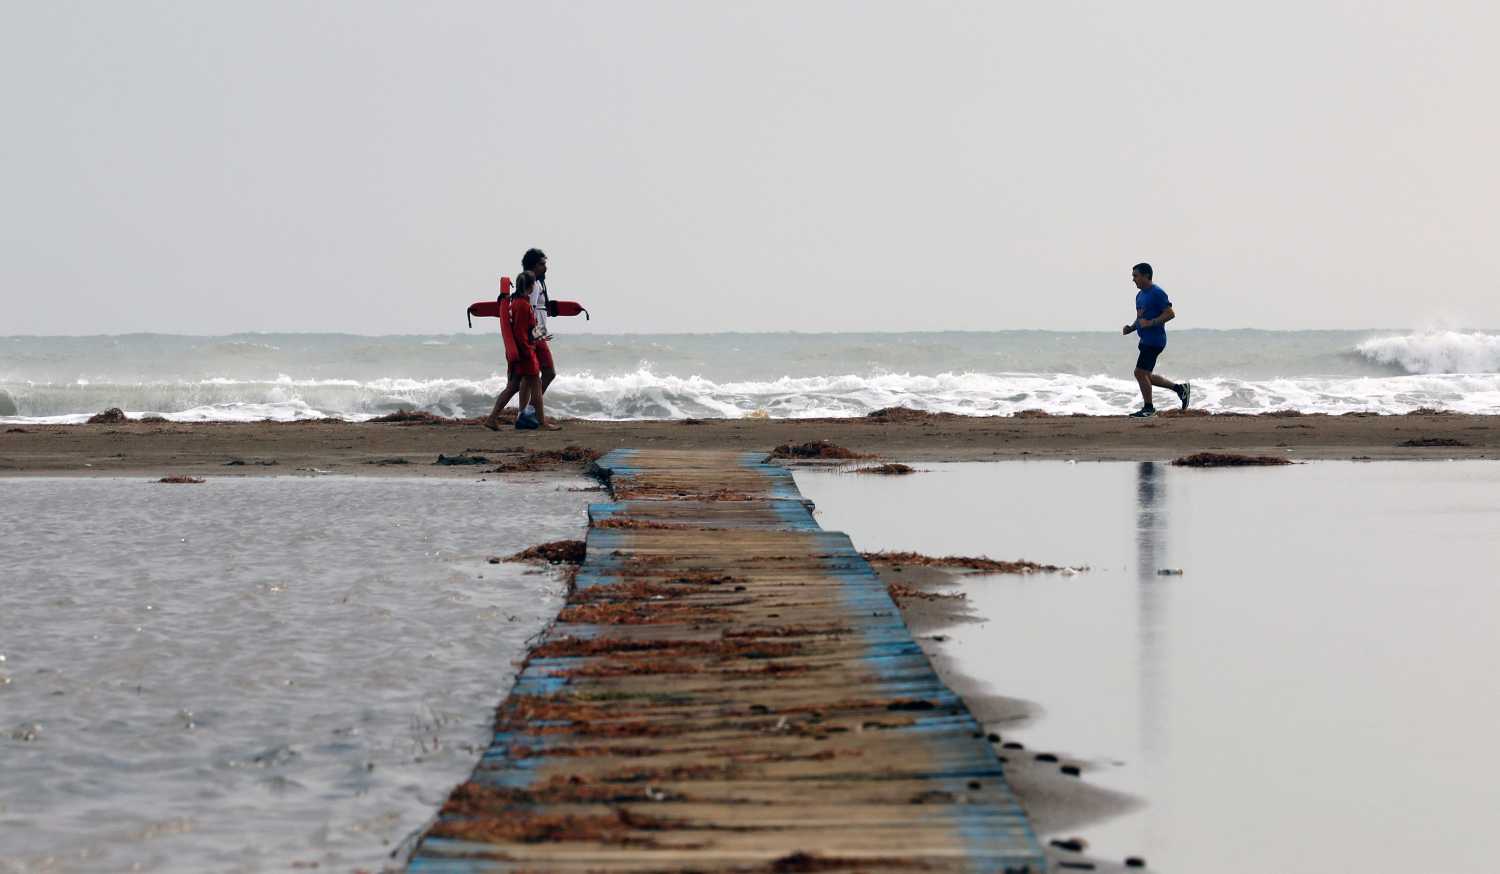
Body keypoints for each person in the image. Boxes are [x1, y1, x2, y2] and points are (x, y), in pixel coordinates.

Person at [1122, 262, 1190, 418]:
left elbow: (1170, 313)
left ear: (1146, 276)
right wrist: (1131, 328)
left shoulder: (1157, 293)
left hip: (1155, 340)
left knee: (1139, 373)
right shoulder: (1140, 296)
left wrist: (1152, 323)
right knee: (1147, 376)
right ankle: (1180, 389)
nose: (1133, 280)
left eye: (1135, 276)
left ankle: (1149, 408)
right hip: (1145, 340)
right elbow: (1141, 318)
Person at [508, 270, 561, 431]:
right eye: (542, 263)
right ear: (530, 287)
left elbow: (527, 326)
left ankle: (520, 415)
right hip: (528, 349)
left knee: (517, 385)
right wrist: (533, 344)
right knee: (533, 382)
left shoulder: (517, 302)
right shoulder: (524, 304)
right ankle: (537, 419)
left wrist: (541, 335)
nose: (545, 267)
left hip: (529, 346)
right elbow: (523, 329)